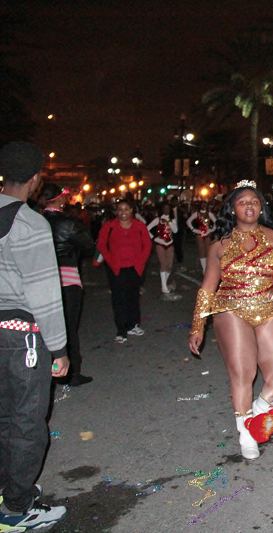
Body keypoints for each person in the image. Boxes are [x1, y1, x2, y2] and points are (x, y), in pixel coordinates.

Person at [188, 180, 273, 460]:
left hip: (270, 308)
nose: (249, 205)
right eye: (242, 202)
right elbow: (207, 288)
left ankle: (258, 411)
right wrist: (197, 326)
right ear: (232, 209)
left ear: (261, 207)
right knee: (243, 373)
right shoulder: (219, 246)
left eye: (254, 201)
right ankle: (245, 432)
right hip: (230, 308)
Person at [0, 142, 69, 529]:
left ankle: (6, 488)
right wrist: (58, 348)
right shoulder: (29, 223)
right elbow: (44, 294)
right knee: (26, 422)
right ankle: (16, 508)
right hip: (20, 336)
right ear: (35, 179)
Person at [40, 183, 94, 386]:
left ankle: (49, 370)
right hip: (68, 279)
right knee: (69, 327)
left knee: (46, 327)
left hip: (43, 279)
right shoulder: (69, 223)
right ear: (60, 198)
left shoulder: (36, 220)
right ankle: (71, 373)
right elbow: (88, 246)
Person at [96, 199, 152, 344]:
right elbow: (101, 244)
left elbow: (147, 245)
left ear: (131, 211)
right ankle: (121, 329)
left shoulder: (139, 226)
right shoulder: (110, 226)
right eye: (120, 209)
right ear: (116, 211)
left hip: (135, 268)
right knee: (119, 299)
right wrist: (110, 260)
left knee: (133, 297)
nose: (123, 213)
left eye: (126, 209)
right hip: (116, 268)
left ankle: (133, 325)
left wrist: (140, 262)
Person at [147, 202, 180, 298]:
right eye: (164, 208)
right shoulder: (157, 220)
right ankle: (164, 286)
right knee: (163, 264)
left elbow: (175, 231)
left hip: (170, 243)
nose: (166, 210)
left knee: (169, 266)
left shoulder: (172, 220)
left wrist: (169, 221)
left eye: (168, 209)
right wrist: (154, 238)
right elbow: (146, 228)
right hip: (160, 243)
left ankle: (164, 283)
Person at [186, 201, 216, 274]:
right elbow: (188, 221)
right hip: (199, 234)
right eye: (202, 204)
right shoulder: (196, 214)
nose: (204, 206)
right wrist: (194, 230)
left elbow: (216, 222)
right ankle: (204, 269)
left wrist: (211, 230)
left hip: (207, 234)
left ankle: (208, 268)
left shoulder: (209, 214)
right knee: (201, 251)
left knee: (208, 251)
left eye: (205, 204)